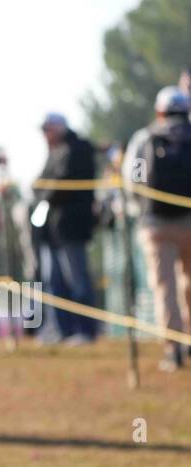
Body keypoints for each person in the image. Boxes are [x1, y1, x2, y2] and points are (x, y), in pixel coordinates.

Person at [124, 86, 191, 371]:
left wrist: (138, 207)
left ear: (159, 111)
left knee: (165, 288)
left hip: (156, 224)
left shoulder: (145, 138)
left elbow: (133, 177)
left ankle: (173, 348)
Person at [33, 113, 98, 344]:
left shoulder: (78, 149)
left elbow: (59, 187)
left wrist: (46, 192)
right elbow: (39, 184)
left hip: (72, 228)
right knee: (55, 282)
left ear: (59, 128)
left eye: (47, 129)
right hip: (53, 231)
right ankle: (63, 330)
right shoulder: (54, 152)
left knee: (77, 281)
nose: (45, 135)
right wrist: (44, 191)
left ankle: (86, 331)